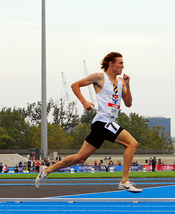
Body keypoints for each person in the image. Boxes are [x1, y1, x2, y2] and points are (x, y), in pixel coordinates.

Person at [35, 52, 142, 193]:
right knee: (132, 143)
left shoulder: (121, 81)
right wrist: (84, 101)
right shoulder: (99, 77)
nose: (123, 66)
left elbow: (128, 104)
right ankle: (124, 181)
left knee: (80, 158)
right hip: (103, 122)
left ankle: (47, 169)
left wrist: (128, 85)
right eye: (120, 63)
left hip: (106, 123)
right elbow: (75, 85)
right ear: (111, 64)